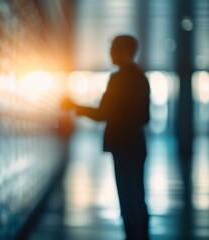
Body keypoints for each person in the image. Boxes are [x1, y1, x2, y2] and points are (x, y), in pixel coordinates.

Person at [62, 35, 150, 240]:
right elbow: (145, 117)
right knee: (137, 195)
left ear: (124, 51)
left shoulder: (118, 78)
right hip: (136, 143)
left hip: (122, 144)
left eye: (113, 48)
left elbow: (103, 113)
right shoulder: (141, 77)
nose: (110, 53)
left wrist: (75, 106)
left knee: (128, 198)